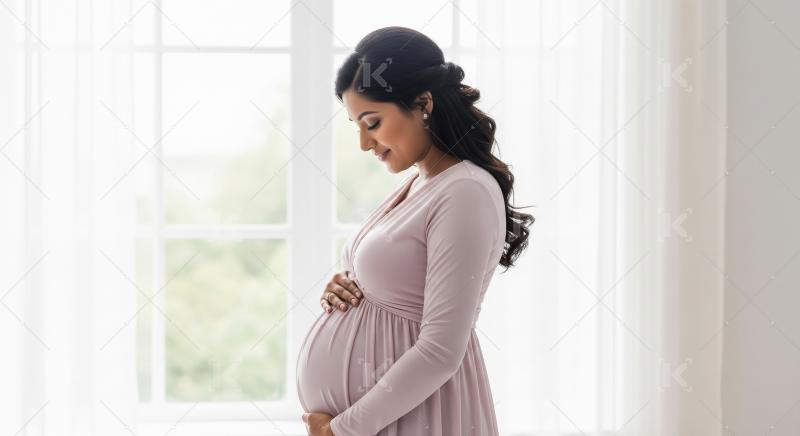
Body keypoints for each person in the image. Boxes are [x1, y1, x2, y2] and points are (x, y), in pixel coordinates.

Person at [297, 26, 534, 436]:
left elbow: (441, 351)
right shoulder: (421, 182)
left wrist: (342, 430)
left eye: (372, 122)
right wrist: (348, 286)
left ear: (423, 103)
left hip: (417, 417)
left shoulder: (465, 191)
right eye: (356, 126)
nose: (364, 143)